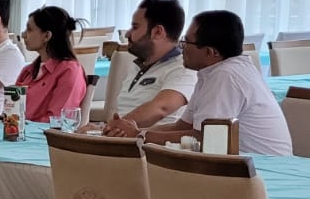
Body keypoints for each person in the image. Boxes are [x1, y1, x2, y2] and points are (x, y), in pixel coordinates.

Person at [104, 10, 291, 155]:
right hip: (241, 162)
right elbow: (183, 127)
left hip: (264, 168)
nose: (181, 48)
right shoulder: (213, 71)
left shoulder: (226, 75)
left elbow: (206, 138)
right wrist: (134, 132)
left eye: (187, 43)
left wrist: (139, 135)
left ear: (210, 52)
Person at [107, 0, 196, 127]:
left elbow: (161, 108)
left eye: (135, 27)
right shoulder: (139, 65)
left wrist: (108, 128)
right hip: (122, 137)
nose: (127, 34)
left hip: (150, 140)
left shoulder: (183, 68)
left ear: (157, 32)